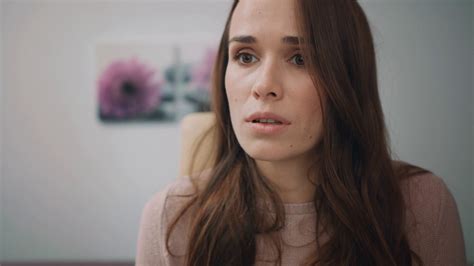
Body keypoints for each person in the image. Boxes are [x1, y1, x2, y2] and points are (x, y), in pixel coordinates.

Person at [135, 0, 467, 265]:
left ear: (346, 80)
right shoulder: (170, 219)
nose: (264, 86)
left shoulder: (423, 205)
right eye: (245, 56)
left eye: (299, 58)